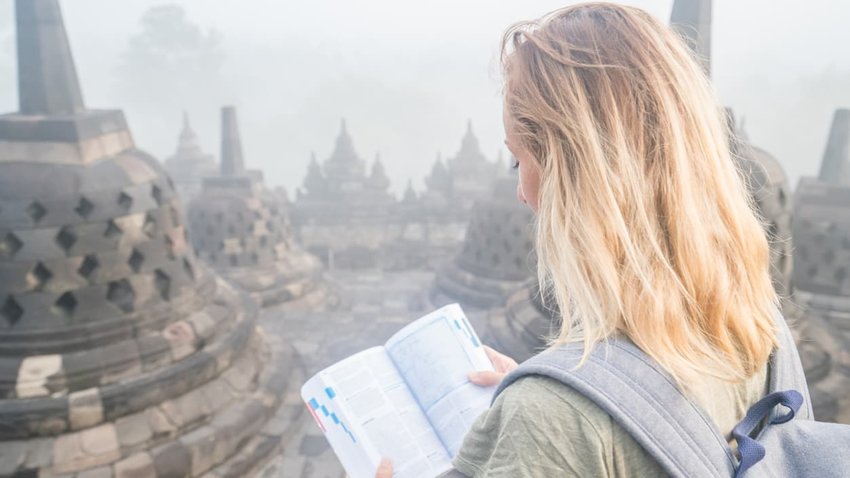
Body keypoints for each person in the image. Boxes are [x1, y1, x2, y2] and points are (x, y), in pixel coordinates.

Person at [379, 2, 788, 476]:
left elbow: (579, 435)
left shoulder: (548, 421)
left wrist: (549, 414)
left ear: (580, 180)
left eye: (520, 161)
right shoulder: (761, 333)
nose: (522, 194)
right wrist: (572, 393)